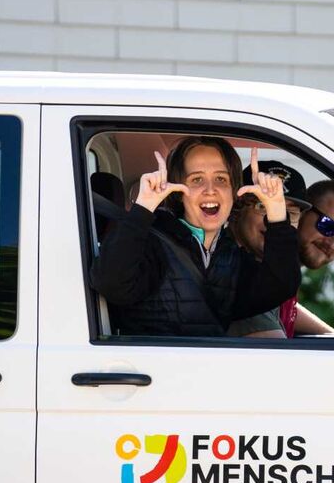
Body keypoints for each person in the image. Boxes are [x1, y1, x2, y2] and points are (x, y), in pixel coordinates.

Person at [90, 136, 300, 337]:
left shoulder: (229, 255)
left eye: (221, 179)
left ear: (233, 191)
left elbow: (281, 285)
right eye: (197, 179)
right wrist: (143, 208)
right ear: (180, 193)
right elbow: (111, 283)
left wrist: (276, 213)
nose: (211, 190)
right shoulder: (153, 243)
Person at [231, 173, 334, 338]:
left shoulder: (280, 275)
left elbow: (283, 306)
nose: (332, 243)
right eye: (327, 226)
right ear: (302, 215)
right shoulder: (250, 272)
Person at [227, 156, 311, 338]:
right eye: (263, 206)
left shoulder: (264, 272)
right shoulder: (233, 271)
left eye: (288, 213)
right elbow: (279, 359)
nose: (274, 219)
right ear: (236, 208)